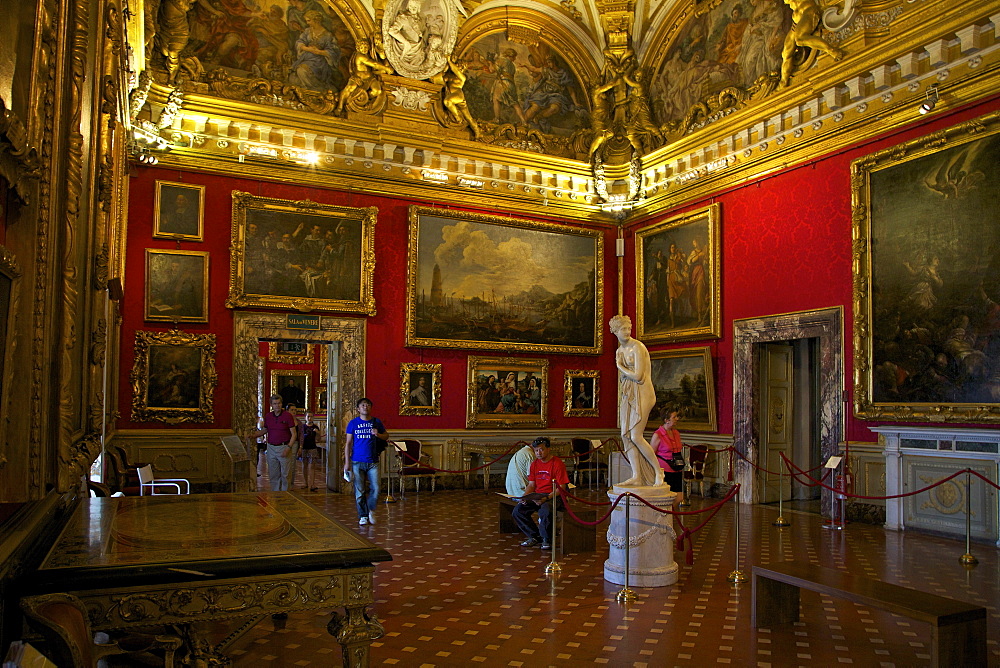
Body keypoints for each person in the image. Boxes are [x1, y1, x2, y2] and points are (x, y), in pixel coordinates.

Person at [611, 314, 664, 488]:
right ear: (615, 332)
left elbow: (639, 376)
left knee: (636, 435)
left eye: (628, 328)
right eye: (622, 329)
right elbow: (623, 380)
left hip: (643, 393)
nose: (626, 332)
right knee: (626, 436)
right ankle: (637, 476)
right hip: (628, 394)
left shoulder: (638, 347)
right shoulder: (620, 351)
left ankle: (658, 471)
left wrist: (619, 366)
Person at [512, 437, 570, 550]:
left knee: (545, 510)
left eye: (541, 450)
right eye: (536, 450)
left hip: (554, 495)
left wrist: (547, 497)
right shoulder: (534, 464)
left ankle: (547, 539)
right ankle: (535, 536)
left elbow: (562, 488)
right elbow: (531, 485)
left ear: (548, 449)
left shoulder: (557, 463)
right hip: (538, 495)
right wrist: (524, 497)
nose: (538, 453)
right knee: (518, 511)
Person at [343, 397, 388, 526]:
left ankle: (371, 509)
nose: (365, 407)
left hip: (373, 460)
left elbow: (386, 436)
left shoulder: (376, 422)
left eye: (367, 405)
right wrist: (347, 463)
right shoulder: (353, 423)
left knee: (376, 487)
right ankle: (363, 515)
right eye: (362, 405)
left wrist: (378, 434)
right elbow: (348, 443)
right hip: (357, 461)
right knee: (360, 490)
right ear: (358, 409)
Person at [252, 394, 298, 492]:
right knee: (273, 474)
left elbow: (294, 434)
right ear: (271, 405)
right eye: (275, 404)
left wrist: (288, 447)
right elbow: (265, 430)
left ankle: (285, 494)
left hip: (284, 446)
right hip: (271, 447)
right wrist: (253, 435)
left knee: (285, 474)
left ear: (281, 404)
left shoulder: (287, 416)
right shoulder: (268, 416)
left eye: (279, 403)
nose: (277, 406)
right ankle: (276, 494)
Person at [651, 406, 685, 506]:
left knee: (679, 498)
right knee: (666, 498)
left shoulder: (676, 433)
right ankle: (666, 518)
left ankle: (669, 515)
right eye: (674, 417)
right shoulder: (658, 435)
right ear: (666, 420)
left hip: (677, 468)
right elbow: (651, 454)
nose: (677, 419)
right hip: (665, 470)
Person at [300, 411, 321, 491]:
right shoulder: (302, 427)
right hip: (304, 448)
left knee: (311, 466)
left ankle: (312, 483)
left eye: (311, 416)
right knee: (304, 465)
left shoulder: (315, 427)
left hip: (312, 448)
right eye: (308, 416)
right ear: (305, 417)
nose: (310, 418)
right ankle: (305, 482)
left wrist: (318, 433)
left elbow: (318, 439)